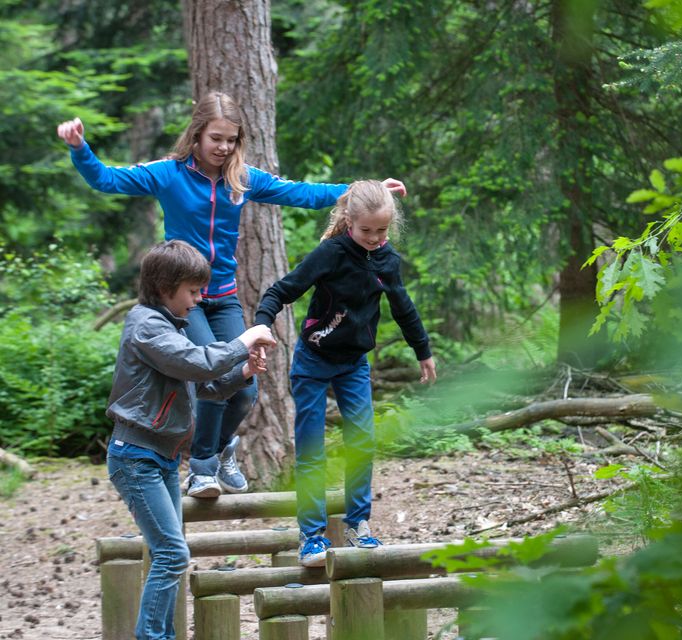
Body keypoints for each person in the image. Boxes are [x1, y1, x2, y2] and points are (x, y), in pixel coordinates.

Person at [56, 92, 407, 498]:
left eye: (231, 140)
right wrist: (80, 148)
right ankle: (202, 469)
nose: (223, 148)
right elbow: (107, 179)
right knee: (214, 373)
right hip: (185, 300)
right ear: (197, 135)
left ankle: (223, 449)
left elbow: (300, 193)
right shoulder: (167, 173)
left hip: (223, 296)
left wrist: (364, 191)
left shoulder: (242, 179)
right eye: (216, 138)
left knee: (246, 387)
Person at [254, 179, 437, 567]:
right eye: (366, 230)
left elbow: (403, 308)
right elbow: (281, 291)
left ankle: (359, 523)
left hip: (354, 363)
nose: (374, 238)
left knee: (362, 441)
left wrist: (422, 351)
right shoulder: (331, 254)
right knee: (311, 448)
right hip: (313, 359)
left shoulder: (387, 260)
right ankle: (312, 537)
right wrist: (261, 325)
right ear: (348, 221)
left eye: (382, 231)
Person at [105, 240, 276, 640]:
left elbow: (208, 384)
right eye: (193, 292)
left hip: (160, 457)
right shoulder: (146, 326)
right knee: (171, 553)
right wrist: (243, 341)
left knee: (171, 554)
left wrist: (244, 373)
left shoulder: (167, 326)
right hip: (135, 456)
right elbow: (195, 363)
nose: (198, 301)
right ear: (166, 288)